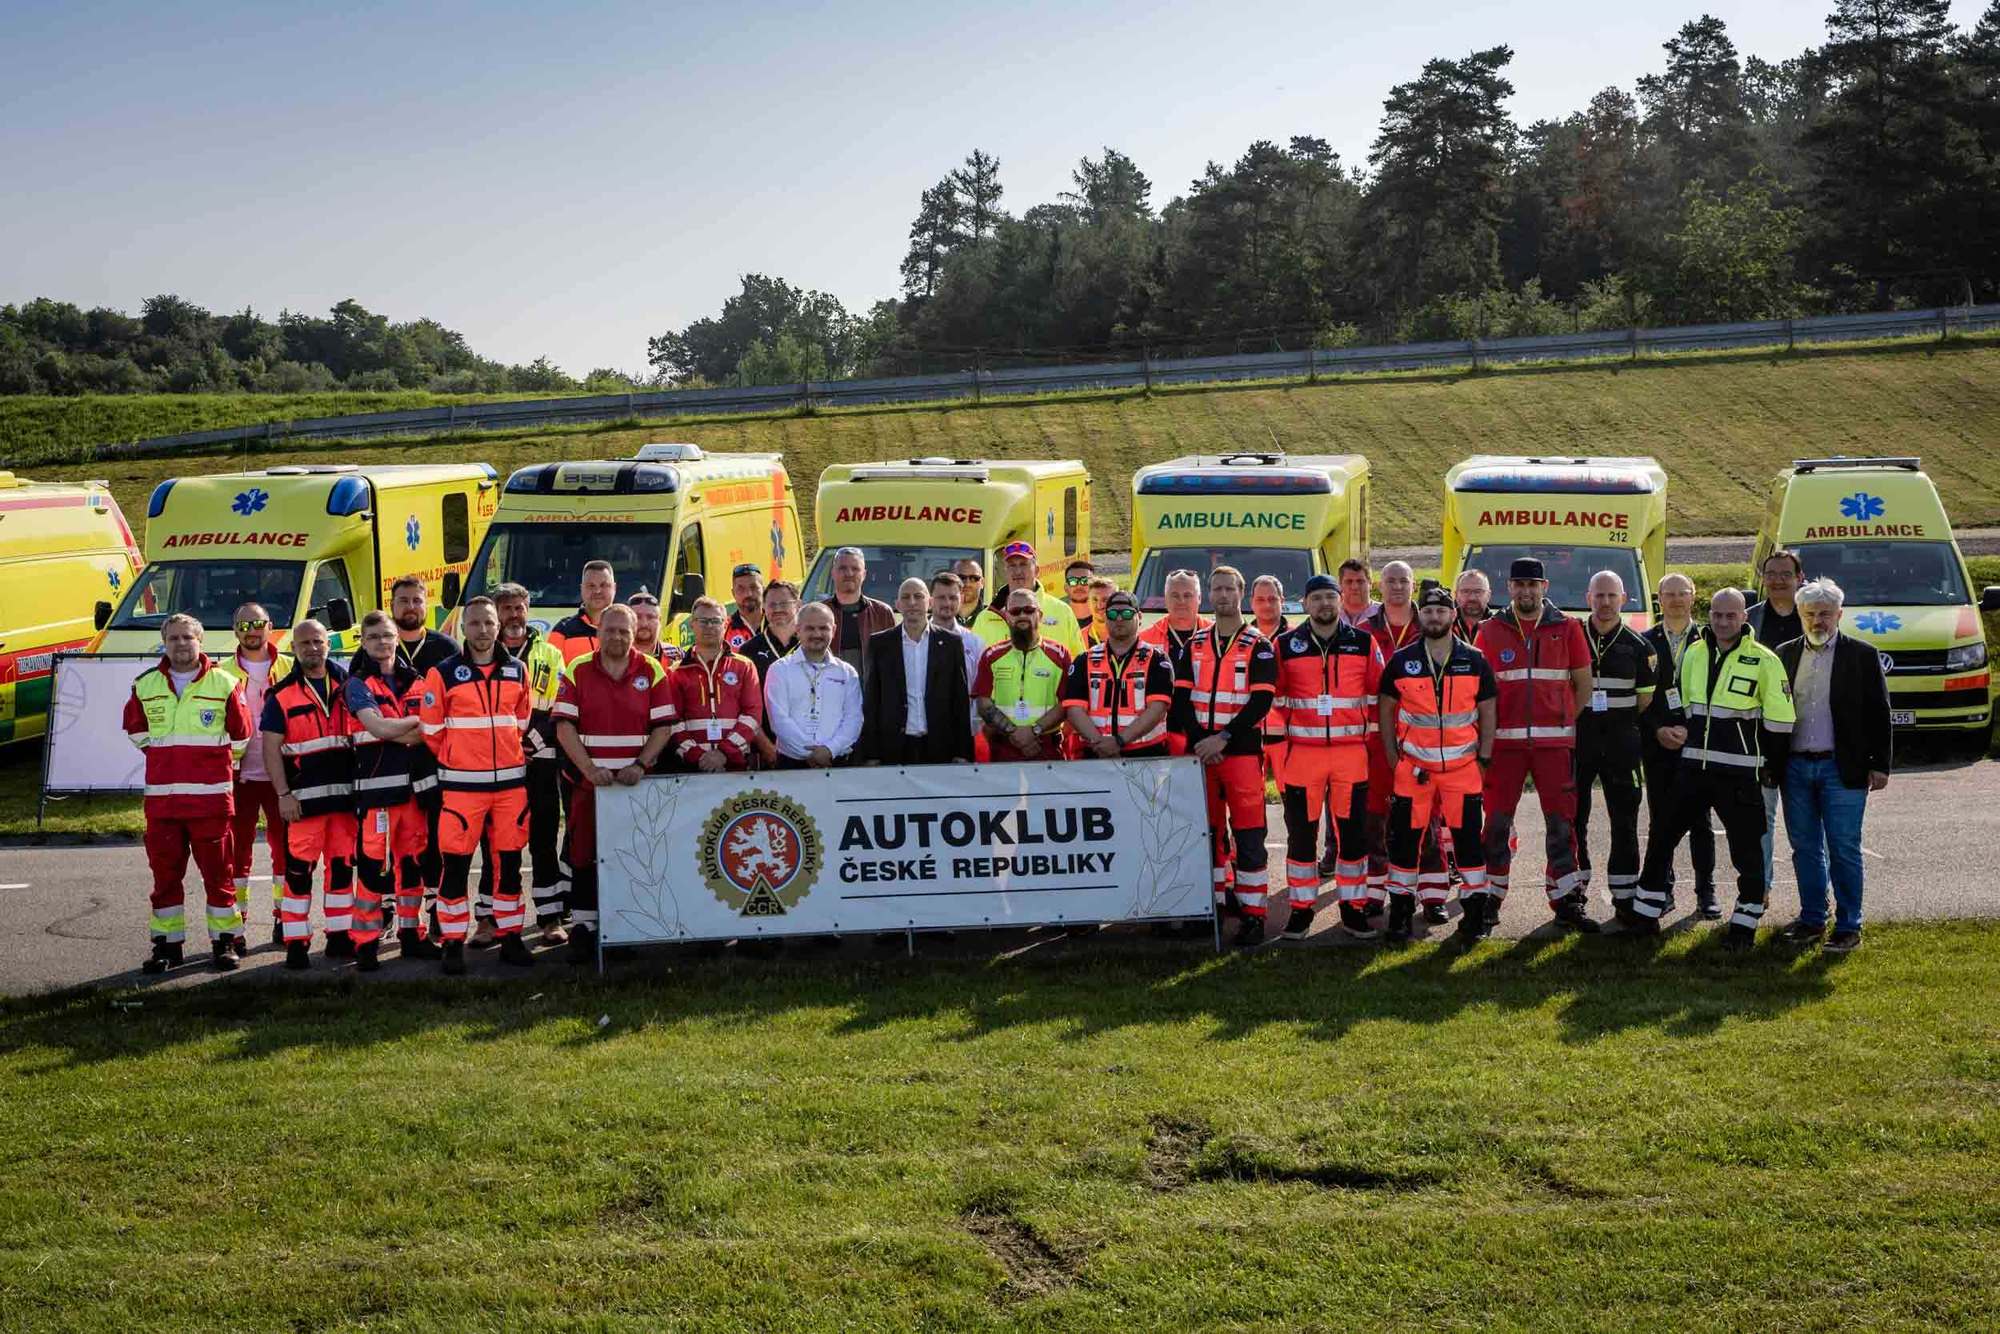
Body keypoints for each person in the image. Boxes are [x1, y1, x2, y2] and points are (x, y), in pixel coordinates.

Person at [1633, 589, 1794, 945]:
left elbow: (1781, 723)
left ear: (1744, 617)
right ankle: (1643, 917)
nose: (1722, 622)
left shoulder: (1764, 660)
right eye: (1717, 615)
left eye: (1731, 615)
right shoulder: (1695, 652)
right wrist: (1673, 727)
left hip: (1740, 775)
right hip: (1692, 768)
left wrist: (1772, 768)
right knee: (1661, 838)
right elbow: (1680, 700)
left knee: (1747, 852)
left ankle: (1744, 925)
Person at [1476, 558, 1600, 933]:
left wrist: (1561, 720)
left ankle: (1565, 900)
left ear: (1544, 587)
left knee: (1561, 825)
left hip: (1553, 746)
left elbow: (1583, 685)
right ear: (1509, 588)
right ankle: (1489, 898)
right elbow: (1479, 692)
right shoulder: (1489, 631)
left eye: (1533, 584)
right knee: (1496, 825)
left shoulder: (1568, 628)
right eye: (1520, 584)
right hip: (1503, 746)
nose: (1526, 591)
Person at [124, 613, 252, 974]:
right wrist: (167, 758)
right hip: (163, 804)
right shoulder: (145, 685)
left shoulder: (225, 683)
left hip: (210, 802)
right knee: (164, 879)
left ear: (200, 641)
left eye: (187, 637)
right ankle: (167, 947)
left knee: (219, 876)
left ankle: (225, 943)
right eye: (174, 638)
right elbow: (135, 730)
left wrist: (207, 765)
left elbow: (241, 737)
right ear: (164, 643)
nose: (181, 644)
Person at [418, 596, 535, 973]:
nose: (482, 630)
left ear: (497, 626)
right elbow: (431, 731)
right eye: (475, 623)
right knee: (455, 867)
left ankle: (511, 937)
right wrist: (460, 759)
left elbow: (521, 722)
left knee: (509, 866)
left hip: (511, 788)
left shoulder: (517, 670)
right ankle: (453, 943)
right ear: (463, 628)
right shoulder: (443, 673)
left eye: (488, 623)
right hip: (462, 790)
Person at [553, 604, 676, 961]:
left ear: (635, 633)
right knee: (583, 854)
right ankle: (583, 927)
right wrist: (590, 769)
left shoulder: (651, 670)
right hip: (589, 785)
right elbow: (564, 727)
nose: (618, 637)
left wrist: (640, 764)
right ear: (599, 632)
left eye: (625, 631)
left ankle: (623, 927)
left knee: (632, 857)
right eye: (610, 630)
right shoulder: (578, 669)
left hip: (635, 788)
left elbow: (663, 728)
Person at [1776, 578, 1891, 952]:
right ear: (1800, 614)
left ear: (1840, 614)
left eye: (1825, 613)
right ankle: (1812, 918)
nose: (1818, 620)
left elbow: (1879, 712)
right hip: (1795, 767)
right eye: (1810, 613)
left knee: (1843, 847)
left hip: (1843, 768)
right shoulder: (1783, 654)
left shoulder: (1862, 655)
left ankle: (1848, 925)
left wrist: (1880, 764)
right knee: (1804, 848)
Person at [1379, 585, 1499, 941]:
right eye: (1429, 611)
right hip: (1413, 771)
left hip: (1463, 770)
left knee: (1468, 845)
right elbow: (1385, 708)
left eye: (1441, 611)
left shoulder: (1474, 659)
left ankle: (1474, 917)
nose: (1435, 617)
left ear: (1452, 615)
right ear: (1421, 616)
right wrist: (1393, 757)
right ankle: (1400, 915)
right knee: (1404, 845)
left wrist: (1484, 757)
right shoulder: (1401, 660)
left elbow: (1488, 710)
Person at [1170, 566, 1279, 947]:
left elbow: (1261, 701)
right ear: (1209, 594)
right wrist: (1203, 740)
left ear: (1241, 593)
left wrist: (1223, 739)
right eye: (1216, 589)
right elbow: (1181, 698)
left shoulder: (1259, 645)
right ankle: (1211, 908)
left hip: (1241, 754)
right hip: (1202, 754)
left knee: (1249, 836)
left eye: (1229, 589)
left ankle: (1253, 916)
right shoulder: (1194, 644)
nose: (1222, 595)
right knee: (1207, 834)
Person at [1272, 573, 1382, 938]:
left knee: (1353, 837)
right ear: (1305, 603)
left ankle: (1353, 909)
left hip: (1351, 756)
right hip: (1303, 757)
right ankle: (1301, 911)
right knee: (1301, 837)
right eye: (1316, 597)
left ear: (1340, 600)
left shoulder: (1363, 642)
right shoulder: (1286, 644)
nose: (1324, 603)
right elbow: (1274, 696)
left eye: (1330, 597)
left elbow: (1379, 693)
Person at [357, 575, 457, 932]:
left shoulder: (445, 647)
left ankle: (433, 911)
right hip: (383, 772)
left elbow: (450, 710)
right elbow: (370, 721)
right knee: (382, 849)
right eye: (403, 600)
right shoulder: (366, 657)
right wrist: (416, 727)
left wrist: (417, 730)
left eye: (417, 599)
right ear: (392, 604)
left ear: (426, 603)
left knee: (431, 844)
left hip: (432, 767)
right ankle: (383, 913)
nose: (411, 606)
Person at [259, 619, 358, 970]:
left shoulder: (351, 686)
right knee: (298, 874)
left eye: (318, 641)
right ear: (294, 649)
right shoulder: (280, 695)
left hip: (345, 802)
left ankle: (340, 936)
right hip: (303, 804)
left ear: (328, 644)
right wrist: (283, 794)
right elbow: (270, 750)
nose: (312, 648)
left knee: (342, 871)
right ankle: (297, 942)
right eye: (304, 644)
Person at [345, 609, 440, 964]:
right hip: (378, 796)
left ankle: (411, 934)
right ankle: (366, 941)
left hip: (414, 794)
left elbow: (433, 730)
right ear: (363, 642)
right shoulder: (357, 685)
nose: (381, 642)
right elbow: (378, 728)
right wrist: (415, 724)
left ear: (397, 638)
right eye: (373, 637)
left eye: (387, 635)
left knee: (412, 866)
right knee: (374, 869)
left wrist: (401, 729)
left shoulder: (418, 681)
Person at [1573, 572, 1657, 927]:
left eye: (1612, 596)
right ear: (1588, 597)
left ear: (1623, 598)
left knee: (1624, 822)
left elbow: (1644, 700)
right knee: (1573, 820)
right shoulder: (1572, 637)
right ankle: (1573, 895)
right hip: (1579, 742)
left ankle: (1625, 898)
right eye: (1599, 595)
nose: (1605, 602)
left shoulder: (1640, 646)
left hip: (1621, 743)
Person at [493, 582, 570, 945]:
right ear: (496, 613)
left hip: (541, 761)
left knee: (543, 841)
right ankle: (492, 919)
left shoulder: (549, 653)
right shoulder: (484, 653)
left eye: (519, 607)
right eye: (506, 608)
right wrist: (510, 746)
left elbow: (558, 705)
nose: (514, 615)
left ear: (527, 609)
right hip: (498, 765)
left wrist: (529, 743)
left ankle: (550, 917)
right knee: (497, 845)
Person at [1640, 572, 1717, 918]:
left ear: (1693, 596)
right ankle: (1663, 889)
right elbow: (1641, 697)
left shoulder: (1710, 639)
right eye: (1668, 594)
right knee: (1661, 821)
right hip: (1658, 744)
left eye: (1681, 593)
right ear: (1659, 599)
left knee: (1701, 821)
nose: (1675, 599)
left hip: (1697, 742)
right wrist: (1657, 729)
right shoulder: (1644, 641)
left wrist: (1691, 731)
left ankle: (1706, 891)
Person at [226, 602, 290, 949]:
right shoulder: (220, 671)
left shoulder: (290, 666)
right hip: (239, 778)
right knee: (237, 855)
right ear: (235, 629)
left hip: (282, 776)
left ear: (270, 625)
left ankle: (285, 919)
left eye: (257, 623)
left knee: (286, 852)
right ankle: (236, 926)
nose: (251, 630)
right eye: (243, 624)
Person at [863, 578, 972, 764]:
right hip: (894, 747)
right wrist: (871, 754)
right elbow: (872, 701)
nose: (912, 602)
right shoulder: (880, 644)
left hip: (940, 746)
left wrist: (962, 752)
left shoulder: (951, 643)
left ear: (930, 602)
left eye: (918, 596)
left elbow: (960, 700)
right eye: (906, 597)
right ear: (897, 604)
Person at [1746, 548, 1805, 892]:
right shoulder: (1749, 621)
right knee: (1760, 822)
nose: (1778, 581)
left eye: (1786, 574)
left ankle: (1815, 898)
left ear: (1800, 578)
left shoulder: (1813, 616)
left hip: (1806, 734)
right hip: (1761, 737)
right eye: (1771, 574)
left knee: (1805, 826)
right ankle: (1761, 891)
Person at [1062, 589, 1175, 760]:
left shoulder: (1157, 659)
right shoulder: (1084, 660)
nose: (1119, 619)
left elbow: (1157, 709)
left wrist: (1119, 741)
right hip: (1096, 755)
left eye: (1127, 613)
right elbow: (1074, 709)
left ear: (1139, 617)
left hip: (1146, 756)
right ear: (1105, 618)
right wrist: (1101, 744)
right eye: (1113, 614)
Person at [973, 587, 1073, 762]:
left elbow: (1066, 703)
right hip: (1004, 747)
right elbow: (983, 703)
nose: (1022, 615)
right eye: (1015, 611)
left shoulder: (1060, 654)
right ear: (1007, 616)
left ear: (1040, 615)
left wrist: (1034, 731)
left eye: (1029, 610)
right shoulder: (991, 655)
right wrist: (1013, 732)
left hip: (1046, 746)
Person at [667, 597, 764, 772]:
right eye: (703, 621)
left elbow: (752, 714)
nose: (709, 626)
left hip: (736, 766)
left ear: (725, 624)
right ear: (692, 624)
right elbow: (673, 721)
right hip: (692, 768)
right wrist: (697, 756)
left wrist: (724, 753)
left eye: (715, 621)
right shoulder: (676, 671)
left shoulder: (744, 666)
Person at [767, 603, 865, 767]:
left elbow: (854, 719)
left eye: (823, 628)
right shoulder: (779, 670)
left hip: (836, 761)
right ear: (797, 630)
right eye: (810, 628)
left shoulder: (847, 673)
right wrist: (811, 753)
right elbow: (779, 720)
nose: (817, 634)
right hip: (792, 764)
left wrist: (829, 750)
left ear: (833, 630)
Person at [972, 541, 1084, 655]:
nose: (1018, 571)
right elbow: (974, 661)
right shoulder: (985, 618)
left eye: (1023, 564)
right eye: (1012, 565)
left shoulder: (1062, 612)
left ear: (1037, 570)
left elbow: (1079, 660)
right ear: (1005, 571)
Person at [820, 547, 895, 676]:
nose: (849, 573)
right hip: (828, 688)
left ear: (864, 574)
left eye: (855, 568)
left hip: (871, 688)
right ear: (833, 573)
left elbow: (893, 660)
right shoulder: (818, 613)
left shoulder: (883, 613)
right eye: (842, 568)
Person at [549, 560, 617, 664]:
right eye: (591, 586)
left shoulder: (629, 628)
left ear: (614, 588)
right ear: (581, 589)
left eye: (603, 585)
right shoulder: (563, 631)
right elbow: (550, 670)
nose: (597, 591)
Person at [1138, 569, 1211, 656]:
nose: (1181, 601)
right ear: (1165, 599)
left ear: (1199, 598)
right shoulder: (1144, 639)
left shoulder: (1214, 634)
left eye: (1187, 595)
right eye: (1175, 596)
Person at [726, 563, 765, 652]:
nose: (748, 594)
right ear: (733, 593)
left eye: (754, 587)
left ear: (763, 589)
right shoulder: (724, 631)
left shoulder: (776, 623)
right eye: (741, 589)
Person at [628, 591, 674, 664]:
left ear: (660, 621)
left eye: (650, 617)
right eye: (637, 617)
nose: (644, 624)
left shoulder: (677, 656)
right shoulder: (612, 655)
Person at [1337, 558, 1380, 629]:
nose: (1354, 587)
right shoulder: (1332, 615)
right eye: (1349, 581)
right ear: (1340, 584)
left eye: (1360, 581)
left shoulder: (1383, 614)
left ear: (1370, 584)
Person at [1452, 569, 1491, 643]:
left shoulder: (1501, 627)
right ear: (1456, 596)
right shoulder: (1444, 625)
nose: (1472, 598)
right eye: (1466, 591)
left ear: (1488, 596)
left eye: (1478, 591)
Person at [1064, 560, 1098, 645]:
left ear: (1094, 586)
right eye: (1073, 581)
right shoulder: (1060, 619)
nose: (1079, 586)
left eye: (1085, 581)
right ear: (1066, 587)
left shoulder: (1104, 620)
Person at [1083, 575, 1117, 650]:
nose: (1099, 605)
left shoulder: (1129, 634)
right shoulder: (1079, 638)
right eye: (1095, 600)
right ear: (1088, 603)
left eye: (1105, 600)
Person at [952, 558, 986, 630]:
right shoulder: (936, 618)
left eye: (974, 578)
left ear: (982, 583)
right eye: (961, 578)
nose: (967, 584)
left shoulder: (995, 617)